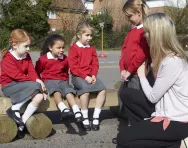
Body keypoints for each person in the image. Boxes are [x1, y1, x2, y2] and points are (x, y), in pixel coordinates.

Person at [116, 12, 188, 148]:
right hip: (163, 110)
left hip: (178, 120)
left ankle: (179, 144)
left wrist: (142, 75)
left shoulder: (172, 61)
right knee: (127, 94)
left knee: (123, 139)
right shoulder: (162, 58)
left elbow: (153, 97)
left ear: (157, 34)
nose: (144, 35)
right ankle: (147, 136)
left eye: (147, 32)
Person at [0, 29, 46, 138]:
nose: (28, 49)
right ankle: (15, 109)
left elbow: (31, 71)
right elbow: (17, 76)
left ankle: (22, 124)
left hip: (24, 85)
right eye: (26, 46)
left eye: (28, 46)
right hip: (9, 87)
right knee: (36, 86)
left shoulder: (26, 56)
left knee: (39, 96)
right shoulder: (7, 59)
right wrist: (37, 84)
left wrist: (38, 81)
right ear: (15, 45)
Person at [117, 0, 155, 124]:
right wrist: (123, 68)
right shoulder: (131, 31)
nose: (128, 19)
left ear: (138, 12)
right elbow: (124, 50)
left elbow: (142, 54)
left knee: (135, 103)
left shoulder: (145, 31)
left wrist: (130, 70)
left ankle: (135, 128)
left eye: (129, 16)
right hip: (129, 73)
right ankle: (129, 123)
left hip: (137, 74)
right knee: (124, 95)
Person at [35, 34, 84, 122]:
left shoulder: (65, 59)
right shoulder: (43, 59)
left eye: (63, 47)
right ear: (50, 47)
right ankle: (63, 109)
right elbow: (36, 73)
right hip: (49, 81)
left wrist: (66, 82)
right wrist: (41, 86)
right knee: (56, 92)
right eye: (59, 48)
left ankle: (77, 111)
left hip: (62, 81)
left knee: (69, 92)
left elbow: (66, 72)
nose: (61, 50)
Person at [68, 21, 106, 131]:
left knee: (102, 89)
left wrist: (93, 75)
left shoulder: (91, 48)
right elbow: (74, 68)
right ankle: (84, 116)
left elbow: (95, 63)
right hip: (78, 77)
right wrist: (85, 77)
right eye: (87, 35)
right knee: (85, 91)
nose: (89, 38)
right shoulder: (74, 48)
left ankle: (95, 116)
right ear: (79, 35)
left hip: (90, 76)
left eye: (91, 35)